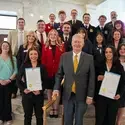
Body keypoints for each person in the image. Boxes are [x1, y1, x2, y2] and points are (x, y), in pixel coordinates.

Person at [53, 34, 95, 125]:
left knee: (79, 121)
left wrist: (90, 95)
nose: (77, 44)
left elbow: (92, 78)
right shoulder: (64, 56)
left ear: (83, 44)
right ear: (72, 43)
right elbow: (59, 74)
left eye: (79, 42)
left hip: (82, 96)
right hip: (68, 95)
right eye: (75, 41)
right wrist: (56, 88)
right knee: (67, 121)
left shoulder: (89, 58)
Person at [16, 47, 47, 125]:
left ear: (38, 55)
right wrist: (23, 89)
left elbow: (46, 82)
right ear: (28, 55)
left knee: (39, 116)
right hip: (27, 95)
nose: (33, 56)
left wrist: (40, 91)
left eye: (35, 54)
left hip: (38, 96)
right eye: (31, 54)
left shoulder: (42, 66)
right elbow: (18, 80)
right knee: (27, 116)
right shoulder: (24, 65)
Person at [95, 45, 125, 125]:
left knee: (111, 121)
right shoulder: (99, 65)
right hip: (101, 98)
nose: (108, 54)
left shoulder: (119, 66)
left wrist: (120, 94)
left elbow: (123, 82)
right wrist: (97, 77)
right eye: (106, 52)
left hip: (113, 98)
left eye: (110, 52)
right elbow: (93, 78)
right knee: (99, 121)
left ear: (114, 53)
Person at [41, 29, 65, 118]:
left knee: (57, 91)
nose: (53, 36)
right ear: (49, 36)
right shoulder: (45, 46)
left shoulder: (62, 46)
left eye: (55, 34)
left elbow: (64, 59)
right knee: (50, 91)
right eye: (51, 34)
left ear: (57, 36)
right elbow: (43, 60)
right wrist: (44, 72)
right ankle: (51, 108)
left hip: (58, 73)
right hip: (48, 73)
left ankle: (56, 108)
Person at [8, 18, 27, 98]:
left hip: (24, 55)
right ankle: (14, 91)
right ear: (17, 23)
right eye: (19, 22)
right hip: (14, 55)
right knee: (15, 73)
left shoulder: (27, 33)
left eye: (22, 22)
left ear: (24, 24)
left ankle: (22, 90)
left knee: (23, 73)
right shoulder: (12, 32)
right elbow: (8, 43)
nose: (21, 23)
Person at [0, 41, 17, 125]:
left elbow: (16, 71)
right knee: (0, 100)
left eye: (7, 46)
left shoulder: (13, 58)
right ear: (1, 47)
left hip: (9, 82)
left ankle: (8, 117)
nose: (5, 47)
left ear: (9, 48)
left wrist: (9, 80)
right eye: (3, 45)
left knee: (7, 100)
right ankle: (1, 118)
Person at [93, 32, 106, 101]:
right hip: (95, 69)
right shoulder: (93, 47)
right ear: (96, 38)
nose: (99, 38)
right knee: (96, 84)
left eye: (101, 37)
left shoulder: (106, 46)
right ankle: (96, 99)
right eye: (98, 37)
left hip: (104, 68)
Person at [116, 43, 125, 125]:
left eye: (124, 49)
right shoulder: (115, 60)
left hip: (124, 86)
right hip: (116, 86)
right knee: (116, 103)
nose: (122, 50)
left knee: (123, 104)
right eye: (121, 49)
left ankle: (118, 122)